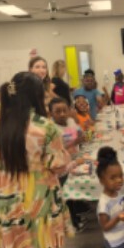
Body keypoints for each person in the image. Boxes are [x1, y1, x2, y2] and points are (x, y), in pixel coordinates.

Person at [0, 72, 74, 248]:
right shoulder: (44, 126)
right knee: (49, 245)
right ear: (35, 96)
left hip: (7, 200)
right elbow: (59, 165)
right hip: (41, 198)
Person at [49, 97, 90, 232]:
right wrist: (75, 142)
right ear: (51, 113)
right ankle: (72, 223)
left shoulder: (71, 121)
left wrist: (82, 133)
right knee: (67, 195)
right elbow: (57, 149)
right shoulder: (52, 129)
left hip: (74, 159)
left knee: (74, 191)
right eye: (57, 111)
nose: (62, 114)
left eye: (64, 110)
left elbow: (79, 133)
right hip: (62, 165)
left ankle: (77, 213)